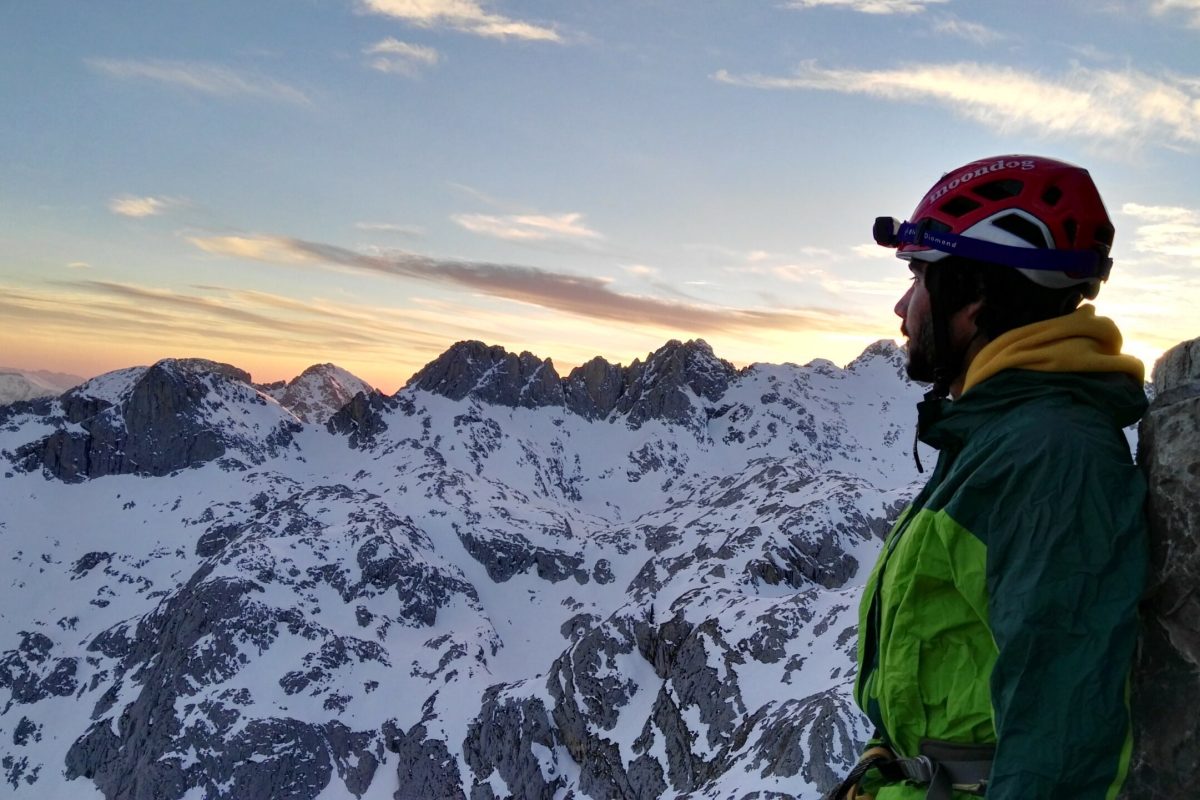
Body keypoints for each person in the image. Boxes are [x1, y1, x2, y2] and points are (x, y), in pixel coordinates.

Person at [830, 155, 1149, 800]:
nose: (901, 304)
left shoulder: (1050, 458)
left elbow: (1062, 741)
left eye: (918, 275)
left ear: (973, 295)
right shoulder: (994, 431)